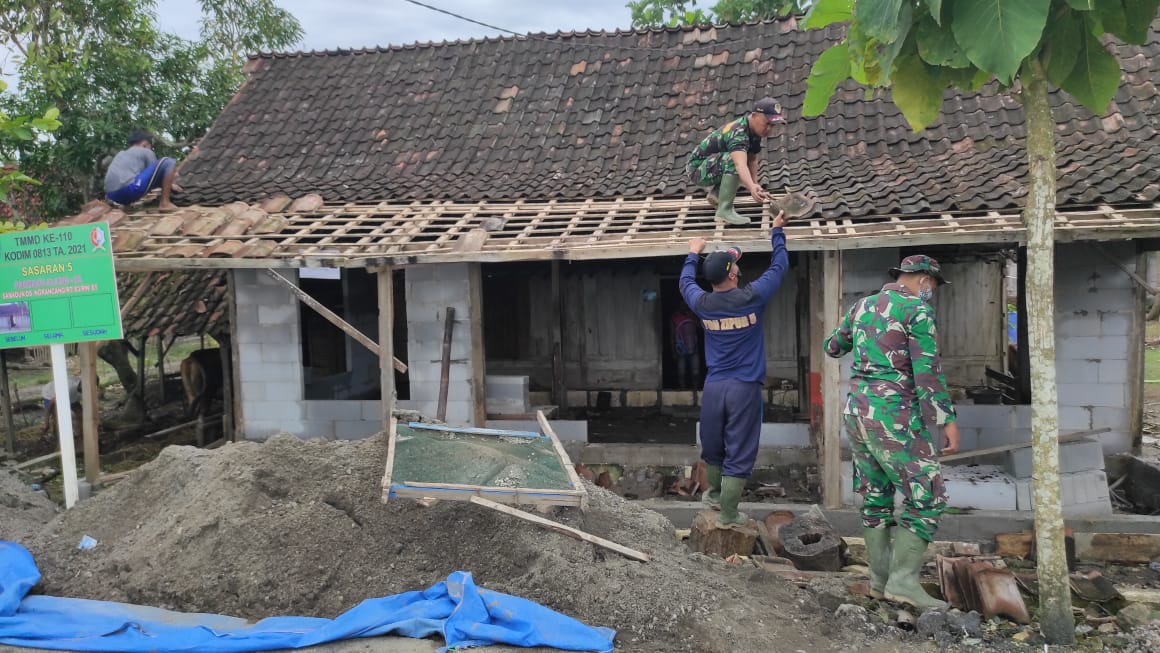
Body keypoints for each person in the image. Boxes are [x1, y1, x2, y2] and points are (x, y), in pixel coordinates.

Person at [824, 255, 961, 610]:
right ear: (924, 280)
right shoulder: (917, 311)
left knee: (876, 494)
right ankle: (903, 583)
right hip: (894, 415)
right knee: (927, 497)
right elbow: (927, 371)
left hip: (858, 412)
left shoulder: (861, 305)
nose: (931, 291)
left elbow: (833, 347)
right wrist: (946, 419)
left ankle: (878, 581)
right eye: (932, 285)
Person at [680, 209, 789, 527]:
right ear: (731, 274)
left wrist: (692, 253)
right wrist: (777, 233)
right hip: (744, 387)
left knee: (713, 446)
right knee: (739, 450)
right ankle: (728, 515)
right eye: (734, 261)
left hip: (714, 387)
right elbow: (779, 266)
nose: (738, 264)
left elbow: (686, 281)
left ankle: (714, 496)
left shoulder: (701, 303)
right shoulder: (752, 297)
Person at [685, 97, 784, 225]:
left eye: (772, 125)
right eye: (767, 123)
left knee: (742, 163)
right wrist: (751, 187)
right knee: (735, 161)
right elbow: (739, 164)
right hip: (697, 170)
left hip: (712, 167)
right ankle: (724, 211)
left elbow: (752, 159)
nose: (769, 129)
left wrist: (755, 184)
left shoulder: (754, 132)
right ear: (754, 116)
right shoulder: (738, 132)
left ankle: (717, 195)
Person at [104, 130, 181, 209]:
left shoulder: (121, 154)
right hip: (128, 190)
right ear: (145, 144)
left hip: (112, 195)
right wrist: (170, 183)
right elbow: (156, 174)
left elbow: (150, 180)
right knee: (168, 161)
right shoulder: (146, 151)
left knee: (136, 179)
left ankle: (126, 206)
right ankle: (165, 203)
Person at [670, 305, 700, 389]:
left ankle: (695, 390)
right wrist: (673, 351)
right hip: (681, 350)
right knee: (681, 373)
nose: (684, 305)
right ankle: (682, 390)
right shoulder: (675, 317)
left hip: (693, 349)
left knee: (696, 372)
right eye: (682, 303)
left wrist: (691, 316)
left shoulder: (692, 314)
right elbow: (672, 335)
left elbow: (700, 325)